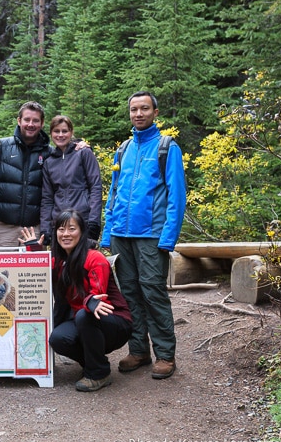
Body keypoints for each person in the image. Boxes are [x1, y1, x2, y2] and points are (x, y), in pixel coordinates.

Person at [100, 91, 187, 380]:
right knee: (130, 295)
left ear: (155, 112)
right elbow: (113, 194)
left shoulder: (166, 148)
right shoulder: (124, 149)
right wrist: (106, 234)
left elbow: (177, 196)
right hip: (121, 236)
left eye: (144, 109)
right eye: (134, 109)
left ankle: (165, 354)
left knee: (153, 293)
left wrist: (168, 237)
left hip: (151, 235)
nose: (138, 114)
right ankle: (138, 350)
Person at [20, 210, 133, 392]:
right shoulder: (59, 261)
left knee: (83, 315)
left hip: (114, 321)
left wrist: (90, 301)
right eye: (61, 229)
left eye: (72, 229)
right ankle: (93, 362)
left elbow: (99, 296)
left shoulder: (95, 258)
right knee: (58, 338)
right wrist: (34, 250)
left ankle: (98, 373)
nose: (66, 234)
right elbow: (38, 272)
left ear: (81, 232)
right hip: (84, 319)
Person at [0, 101, 53, 247]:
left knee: (34, 270)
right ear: (19, 120)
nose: (30, 124)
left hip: (35, 228)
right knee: (2, 269)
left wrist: (80, 146)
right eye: (27, 119)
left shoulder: (49, 153)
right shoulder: (1, 147)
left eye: (35, 120)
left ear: (42, 123)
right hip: (3, 227)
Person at [41, 115, 103, 245]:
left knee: (84, 262)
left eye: (65, 131)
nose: (60, 135)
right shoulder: (49, 162)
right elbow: (47, 198)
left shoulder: (83, 153)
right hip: (59, 225)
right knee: (60, 264)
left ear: (71, 132)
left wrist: (94, 221)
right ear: (51, 133)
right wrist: (45, 228)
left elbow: (95, 187)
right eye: (56, 131)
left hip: (82, 220)